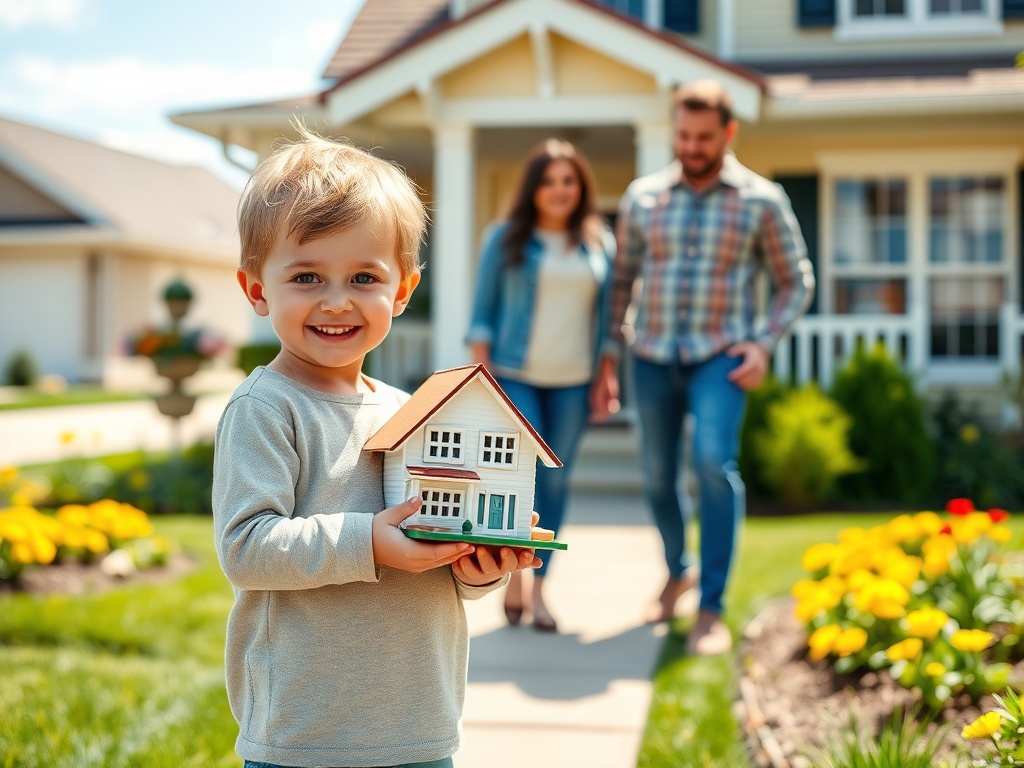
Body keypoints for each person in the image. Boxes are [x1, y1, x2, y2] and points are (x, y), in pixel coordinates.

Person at [212, 126, 539, 768]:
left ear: (404, 289)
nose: (337, 301)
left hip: (420, 725)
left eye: (365, 276)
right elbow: (246, 548)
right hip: (306, 735)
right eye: (306, 276)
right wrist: (372, 542)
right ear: (257, 290)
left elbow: (431, 550)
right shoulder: (267, 408)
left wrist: (477, 569)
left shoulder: (411, 412)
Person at [592, 80, 815, 655]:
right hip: (652, 356)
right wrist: (610, 358)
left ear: (728, 133)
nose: (692, 147)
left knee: (714, 464)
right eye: (684, 135)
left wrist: (764, 342)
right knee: (657, 475)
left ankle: (711, 606)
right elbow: (622, 285)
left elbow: (796, 280)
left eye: (704, 137)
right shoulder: (644, 197)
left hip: (721, 354)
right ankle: (677, 570)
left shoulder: (761, 199)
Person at [466, 138, 614, 633]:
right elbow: (482, 314)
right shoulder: (504, 238)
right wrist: (481, 378)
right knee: (516, 480)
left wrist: (606, 374)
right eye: (549, 181)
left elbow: (608, 321)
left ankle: (542, 589)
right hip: (515, 375)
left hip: (575, 381)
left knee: (555, 481)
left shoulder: (599, 243)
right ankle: (513, 577)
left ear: (581, 188)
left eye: (568, 181)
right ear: (533, 188)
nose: (559, 190)